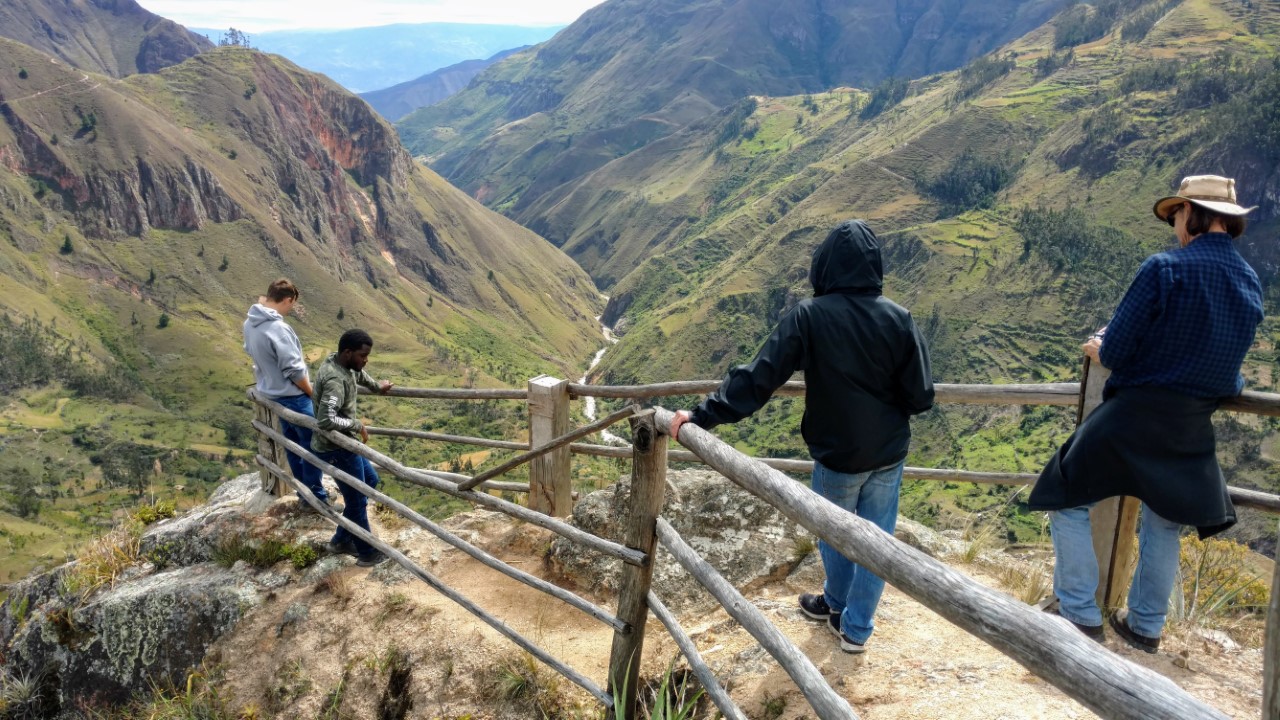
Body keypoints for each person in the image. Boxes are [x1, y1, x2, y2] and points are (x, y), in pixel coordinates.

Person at [670, 219, 935, 654]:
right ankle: (856, 628)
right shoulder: (899, 318)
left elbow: (759, 379)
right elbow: (920, 396)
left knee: (832, 534)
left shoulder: (810, 317)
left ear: (824, 265)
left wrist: (701, 416)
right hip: (889, 451)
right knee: (878, 541)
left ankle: (834, 602)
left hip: (837, 452)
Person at [1029, 175, 1263, 653]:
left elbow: (1116, 349)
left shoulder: (1163, 268)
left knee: (1063, 494)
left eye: (1178, 213)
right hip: (1191, 423)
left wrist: (1098, 347)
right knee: (1165, 521)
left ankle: (1078, 612)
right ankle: (1145, 627)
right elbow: (1228, 370)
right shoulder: (1250, 282)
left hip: (1135, 413)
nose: (1175, 223)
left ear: (1194, 215)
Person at [243, 278, 338, 511]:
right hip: (293, 395)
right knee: (314, 446)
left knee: (293, 447)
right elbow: (294, 370)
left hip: (272, 394)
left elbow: (251, 352)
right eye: (291, 304)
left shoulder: (250, 324)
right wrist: (312, 392)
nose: (291, 309)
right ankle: (316, 498)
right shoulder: (278, 328)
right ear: (287, 300)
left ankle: (305, 495)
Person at [313, 328, 394, 567]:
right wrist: (357, 424)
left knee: (369, 481)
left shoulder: (341, 363)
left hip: (346, 444)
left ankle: (340, 539)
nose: (365, 360)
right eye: (362, 355)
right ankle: (367, 552)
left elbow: (358, 375)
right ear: (348, 353)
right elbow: (325, 420)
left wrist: (377, 386)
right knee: (357, 500)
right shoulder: (335, 381)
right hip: (337, 448)